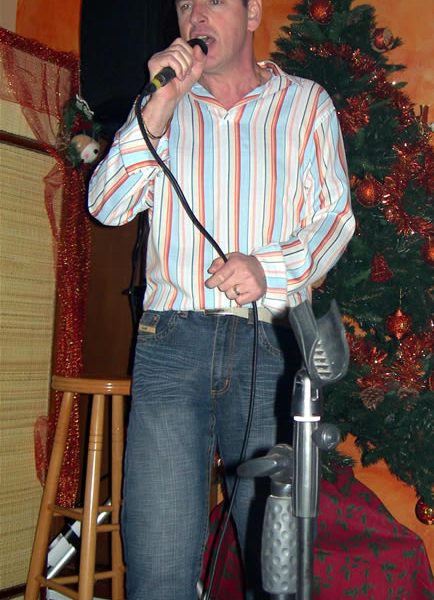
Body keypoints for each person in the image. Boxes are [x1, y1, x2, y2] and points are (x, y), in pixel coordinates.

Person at [88, 0, 355, 597]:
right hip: (171, 343)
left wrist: (269, 268)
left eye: (212, 0)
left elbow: (334, 218)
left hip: (271, 346)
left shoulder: (305, 104)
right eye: (186, 4)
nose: (196, 15)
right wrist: (159, 104)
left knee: (274, 564)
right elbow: (105, 205)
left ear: (253, 12)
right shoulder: (164, 108)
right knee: (157, 562)